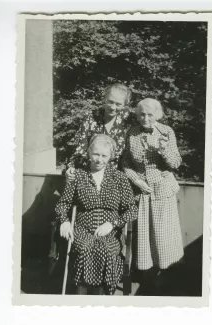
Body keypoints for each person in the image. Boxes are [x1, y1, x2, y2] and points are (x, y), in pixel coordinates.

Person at [55, 134, 138, 295]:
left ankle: (100, 298)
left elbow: (132, 209)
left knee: (106, 250)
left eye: (104, 155)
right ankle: (81, 297)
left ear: (111, 157)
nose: (99, 159)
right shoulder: (78, 175)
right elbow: (63, 203)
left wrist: (113, 224)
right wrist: (64, 221)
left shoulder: (119, 178)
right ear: (89, 153)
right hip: (82, 229)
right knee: (85, 248)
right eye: (96, 154)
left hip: (110, 230)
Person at [122, 98, 184, 282]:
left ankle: (166, 274)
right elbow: (125, 163)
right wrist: (136, 180)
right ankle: (146, 277)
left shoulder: (166, 132)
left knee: (163, 236)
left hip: (163, 191)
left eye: (150, 114)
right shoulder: (131, 133)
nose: (145, 118)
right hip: (142, 192)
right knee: (144, 238)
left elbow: (175, 163)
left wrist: (164, 150)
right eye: (142, 114)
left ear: (158, 115)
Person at [66, 83, 137, 181]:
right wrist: (71, 167)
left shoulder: (129, 120)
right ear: (105, 99)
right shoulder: (90, 117)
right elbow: (80, 148)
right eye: (110, 102)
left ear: (125, 104)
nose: (113, 107)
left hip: (119, 174)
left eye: (118, 104)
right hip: (91, 171)